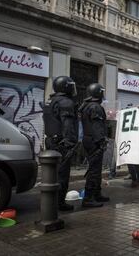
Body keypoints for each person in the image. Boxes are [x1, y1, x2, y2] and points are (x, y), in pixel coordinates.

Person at [42, 76, 79, 211]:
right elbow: (68, 125)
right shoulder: (66, 102)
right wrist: (71, 144)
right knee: (62, 175)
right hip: (62, 144)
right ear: (66, 87)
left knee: (52, 174)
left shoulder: (50, 101)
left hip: (51, 141)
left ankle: (51, 202)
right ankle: (59, 203)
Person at [79, 83, 110, 207]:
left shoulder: (86, 106)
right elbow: (97, 127)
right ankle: (88, 198)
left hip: (88, 140)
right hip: (94, 141)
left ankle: (97, 194)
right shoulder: (95, 107)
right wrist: (101, 141)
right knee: (94, 171)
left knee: (96, 170)